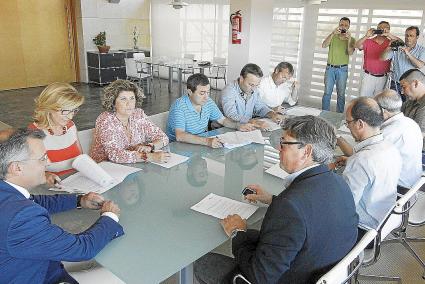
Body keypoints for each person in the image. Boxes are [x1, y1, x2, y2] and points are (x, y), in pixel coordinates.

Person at [194, 116, 358, 284]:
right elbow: (312, 212)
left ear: (306, 152)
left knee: (203, 264)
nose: (278, 148)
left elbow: (259, 277)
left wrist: (237, 233)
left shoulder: (289, 207)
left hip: (290, 277)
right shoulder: (339, 183)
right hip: (321, 266)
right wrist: (272, 199)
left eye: (284, 143)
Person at [0, 128, 124, 284]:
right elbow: (82, 249)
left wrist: (79, 201)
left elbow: (33, 200)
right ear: (17, 167)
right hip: (38, 275)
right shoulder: (20, 218)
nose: (49, 163)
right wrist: (110, 216)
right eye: (42, 158)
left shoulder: (8, 193)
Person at [336, 97, 401, 233]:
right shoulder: (390, 147)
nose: (347, 127)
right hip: (386, 215)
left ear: (360, 124)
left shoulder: (361, 160)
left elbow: (345, 206)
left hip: (365, 227)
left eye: (348, 122)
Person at [339, 89, 422, 191]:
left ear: (382, 111)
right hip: (410, 181)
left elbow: (358, 157)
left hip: (399, 186)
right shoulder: (410, 122)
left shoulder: (386, 135)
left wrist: (337, 138)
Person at [90, 79, 170, 164]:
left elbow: (163, 137)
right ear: (113, 102)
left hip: (134, 166)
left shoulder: (138, 114)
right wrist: (149, 157)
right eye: (123, 99)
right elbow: (114, 154)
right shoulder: (105, 120)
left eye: (132, 98)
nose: (129, 103)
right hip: (105, 167)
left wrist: (150, 146)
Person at [167, 73, 255, 147]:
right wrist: (207, 141)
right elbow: (180, 136)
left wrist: (238, 126)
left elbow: (222, 120)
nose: (206, 97)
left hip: (199, 143)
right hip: (179, 147)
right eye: (202, 93)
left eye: (208, 92)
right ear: (190, 92)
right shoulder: (179, 106)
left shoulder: (207, 101)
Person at [29, 82, 85, 183]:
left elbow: (80, 159)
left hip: (78, 180)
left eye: (73, 110)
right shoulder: (34, 134)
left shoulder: (71, 126)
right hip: (55, 186)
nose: (70, 116)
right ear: (49, 107)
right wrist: (45, 175)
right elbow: (30, 172)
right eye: (65, 111)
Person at [220, 63, 284, 129]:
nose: (254, 89)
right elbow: (231, 114)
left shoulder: (254, 89)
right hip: (227, 128)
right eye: (251, 85)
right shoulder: (229, 90)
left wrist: (272, 114)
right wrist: (252, 121)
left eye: (256, 85)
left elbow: (260, 107)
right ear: (241, 79)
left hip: (247, 127)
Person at [356, 21, 401, 97]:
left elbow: (401, 43)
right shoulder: (368, 41)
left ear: (388, 30)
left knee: (378, 102)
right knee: (363, 100)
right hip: (368, 76)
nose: (382, 30)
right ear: (376, 29)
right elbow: (357, 45)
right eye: (380, 28)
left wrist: (389, 35)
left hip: (383, 78)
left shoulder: (390, 43)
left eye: (385, 28)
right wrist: (366, 36)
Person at [321, 17, 356, 113]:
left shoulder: (352, 39)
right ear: (339, 25)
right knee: (327, 93)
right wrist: (332, 33)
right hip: (330, 68)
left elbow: (350, 52)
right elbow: (323, 45)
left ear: (349, 27)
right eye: (341, 25)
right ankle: (324, 114)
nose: (343, 27)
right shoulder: (333, 36)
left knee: (341, 94)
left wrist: (348, 40)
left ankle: (339, 116)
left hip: (342, 69)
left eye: (346, 25)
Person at [382, 26, 425, 100]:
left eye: (411, 36)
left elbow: (420, 65)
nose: (408, 38)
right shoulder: (397, 47)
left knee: (407, 107)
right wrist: (388, 47)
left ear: (417, 37)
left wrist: (408, 53)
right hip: (394, 83)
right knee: (392, 107)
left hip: (409, 85)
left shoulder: (421, 50)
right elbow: (383, 58)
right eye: (406, 35)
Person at [399, 69, 425, 149]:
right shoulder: (411, 100)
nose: (402, 92)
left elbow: (417, 136)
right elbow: (396, 116)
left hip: (418, 151)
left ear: (415, 84)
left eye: (404, 87)